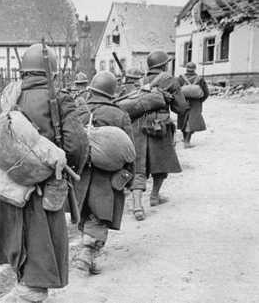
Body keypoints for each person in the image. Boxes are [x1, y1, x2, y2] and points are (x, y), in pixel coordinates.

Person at [0, 43, 89, 302]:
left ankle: (24, 287)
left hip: (8, 186)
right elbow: (77, 145)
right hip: (44, 187)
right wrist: (65, 172)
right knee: (41, 246)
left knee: (16, 240)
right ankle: (28, 294)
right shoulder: (59, 99)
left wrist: (7, 168)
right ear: (51, 71)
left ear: (23, 70)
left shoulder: (2, 100)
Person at [73, 71, 134, 275]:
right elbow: (129, 150)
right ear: (111, 92)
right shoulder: (119, 114)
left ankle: (89, 259)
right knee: (100, 217)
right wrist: (130, 177)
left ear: (91, 90)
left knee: (86, 213)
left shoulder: (79, 112)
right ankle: (86, 254)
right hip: (107, 177)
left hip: (81, 174)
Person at [129, 51, 189, 221]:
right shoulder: (169, 80)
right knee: (161, 162)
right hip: (159, 126)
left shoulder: (139, 81)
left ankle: (137, 205)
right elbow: (181, 108)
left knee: (138, 166)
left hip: (138, 126)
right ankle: (154, 196)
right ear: (164, 65)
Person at [177, 62, 210, 148]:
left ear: (186, 68)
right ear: (195, 69)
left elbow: (176, 92)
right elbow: (206, 93)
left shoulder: (180, 79)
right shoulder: (200, 79)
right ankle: (187, 142)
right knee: (192, 122)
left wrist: (179, 101)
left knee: (183, 120)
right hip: (196, 103)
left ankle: (185, 139)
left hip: (183, 102)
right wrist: (200, 100)